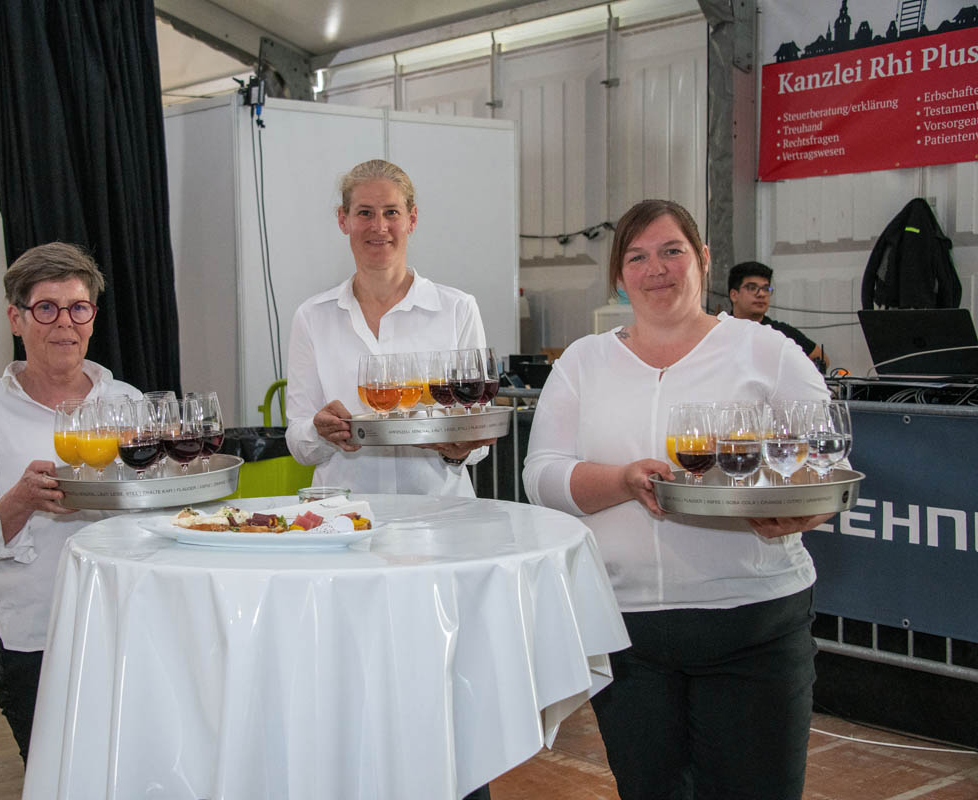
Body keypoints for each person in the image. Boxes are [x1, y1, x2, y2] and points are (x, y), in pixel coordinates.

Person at [523, 200, 833, 800]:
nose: (656, 269)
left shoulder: (766, 350)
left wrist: (808, 511)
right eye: (637, 257)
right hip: (626, 632)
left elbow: (822, 460)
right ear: (619, 275)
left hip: (754, 624)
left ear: (703, 259)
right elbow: (543, 477)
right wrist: (623, 480)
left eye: (672, 251)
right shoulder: (584, 361)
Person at [0, 242, 140, 763]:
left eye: (79, 308)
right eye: (46, 308)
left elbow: (155, 510)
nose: (65, 324)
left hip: (125, 621)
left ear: (93, 317)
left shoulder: (127, 402)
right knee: (54, 774)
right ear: (16, 319)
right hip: (34, 632)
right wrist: (21, 500)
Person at [285, 159, 496, 497]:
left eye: (391, 213)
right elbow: (298, 441)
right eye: (365, 213)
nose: (379, 226)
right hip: (345, 514)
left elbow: (478, 431)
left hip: (440, 515)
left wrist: (456, 449)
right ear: (343, 220)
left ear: (412, 219)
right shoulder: (312, 316)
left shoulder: (457, 309)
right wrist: (318, 432)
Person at [729, 261, 828, 371]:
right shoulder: (721, 330)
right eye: (752, 288)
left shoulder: (782, 333)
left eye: (766, 289)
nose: (761, 294)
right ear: (734, 295)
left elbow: (821, 359)